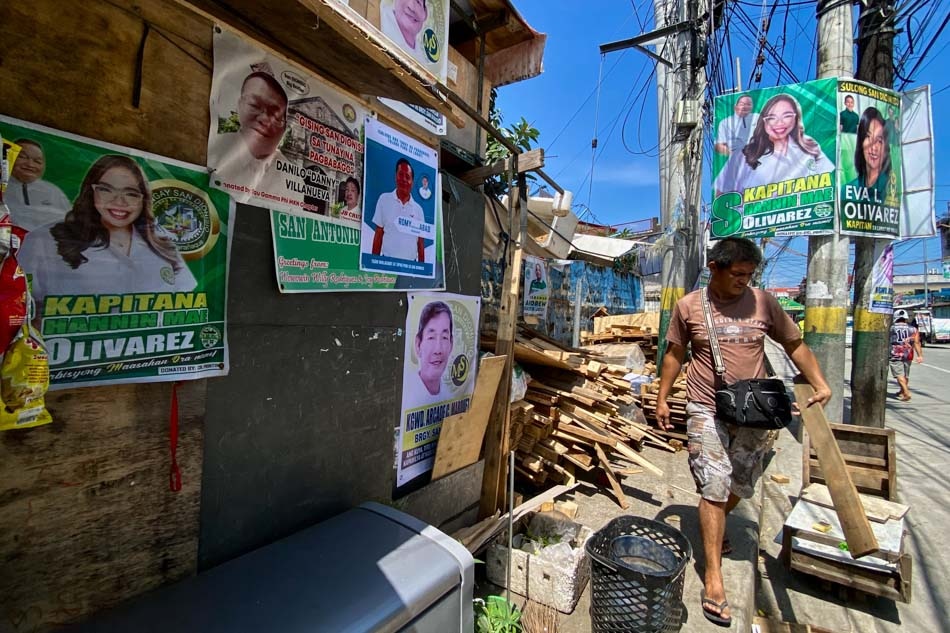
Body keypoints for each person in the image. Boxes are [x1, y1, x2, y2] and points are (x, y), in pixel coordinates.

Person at [655, 237, 831, 627]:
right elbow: (674, 354)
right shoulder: (689, 307)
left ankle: (714, 527)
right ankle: (713, 575)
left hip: (756, 408)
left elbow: (794, 343)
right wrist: (663, 397)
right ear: (715, 267)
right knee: (714, 485)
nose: (744, 281)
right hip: (705, 406)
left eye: (750, 275)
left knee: (741, 483)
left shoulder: (764, 303)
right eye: (737, 274)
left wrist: (819, 382)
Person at [18, 155, 197, 312]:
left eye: (131, 193)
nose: (119, 201)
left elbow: (186, 301)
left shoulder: (160, 242)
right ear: (91, 191)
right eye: (106, 189)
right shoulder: (45, 240)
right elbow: (20, 305)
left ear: (143, 200)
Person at [714, 93, 833, 195]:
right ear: (763, 121)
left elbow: (832, 182)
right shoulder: (743, 156)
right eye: (772, 118)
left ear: (796, 118)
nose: (779, 123)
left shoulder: (809, 146)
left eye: (787, 116)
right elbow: (721, 198)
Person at [208, 71, 292, 204]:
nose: (265, 119)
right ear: (239, 105)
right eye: (254, 105)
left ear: (284, 127)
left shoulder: (292, 178)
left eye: (275, 115)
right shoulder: (213, 150)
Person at [4, 138, 71, 231]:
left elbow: (69, 223)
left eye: (37, 161)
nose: (30, 164)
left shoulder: (53, 191)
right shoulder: (3, 185)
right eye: (23, 157)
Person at [371, 158, 425, 262]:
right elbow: (378, 235)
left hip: (410, 268)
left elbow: (420, 244)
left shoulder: (419, 210)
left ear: (412, 183)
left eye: (407, 177)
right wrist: (374, 264)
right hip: (386, 265)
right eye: (401, 175)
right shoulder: (384, 199)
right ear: (395, 177)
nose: (404, 179)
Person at [847, 107, 893, 204]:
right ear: (861, 142)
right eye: (868, 136)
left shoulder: (891, 191)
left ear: (885, 147)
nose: (873, 147)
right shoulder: (847, 192)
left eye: (879, 140)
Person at [413, 300, 453, 399]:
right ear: (418, 345)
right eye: (431, 337)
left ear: (451, 344)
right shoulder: (407, 394)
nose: (438, 350)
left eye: (444, 337)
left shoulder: (450, 398)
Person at [380, 0, 431, 67]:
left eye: (418, 2)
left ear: (425, 14)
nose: (411, 7)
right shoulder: (379, 20)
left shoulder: (421, 59)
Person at [889, 309, 922, 402]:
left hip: (895, 353)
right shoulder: (913, 329)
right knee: (905, 374)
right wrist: (920, 355)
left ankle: (906, 393)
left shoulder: (891, 328)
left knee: (899, 374)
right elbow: (916, 343)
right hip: (908, 353)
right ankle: (902, 390)